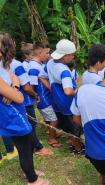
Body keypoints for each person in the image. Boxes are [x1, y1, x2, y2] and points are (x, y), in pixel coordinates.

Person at [0, 32, 49, 185]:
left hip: (12, 111)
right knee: (25, 146)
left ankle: (29, 171)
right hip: (11, 113)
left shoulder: (5, 65)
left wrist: (13, 86)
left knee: (24, 144)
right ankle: (32, 180)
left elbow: (12, 87)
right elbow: (19, 97)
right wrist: (14, 86)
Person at [40, 39, 84, 154]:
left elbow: (41, 76)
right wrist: (77, 91)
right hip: (68, 104)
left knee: (65, 123)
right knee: (75, 126)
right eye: (71, 55)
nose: (73, 57)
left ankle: (71, 140)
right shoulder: (64, 70)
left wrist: (51, 88)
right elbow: (68, 91)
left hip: (56, 101)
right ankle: (77, 148)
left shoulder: (50, 63)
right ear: (65, 56)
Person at [10, 46, 52, 156]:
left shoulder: (3, 64)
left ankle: (17, 145)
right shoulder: (16, 64)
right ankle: (37, 147)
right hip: (23, 100)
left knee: (18, 123)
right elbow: (27, 87)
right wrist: (35, 95)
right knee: (30, 124)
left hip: (10, 99)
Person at [28, 42, 61, 148]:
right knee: (54, 119)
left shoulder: (39, 64)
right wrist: (35, 96)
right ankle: (51, 138)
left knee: (50, 117)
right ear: (40, 52)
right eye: (47, 53)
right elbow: (31, 86)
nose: (48, 55)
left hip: (46, 97)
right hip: (43, 98)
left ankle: (52, 133)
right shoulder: (34, 67)